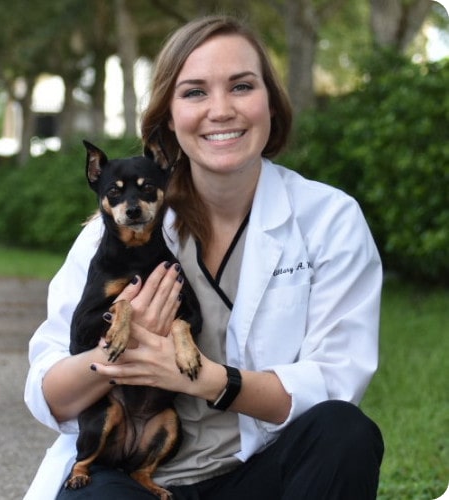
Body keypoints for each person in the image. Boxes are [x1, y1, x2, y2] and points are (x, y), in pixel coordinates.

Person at [24, 15, 384, 500]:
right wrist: (119, 353)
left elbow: (336, 384)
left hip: (257, 473)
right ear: (168, 117)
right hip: (133, 477)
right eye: (194, 92)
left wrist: (207, 379)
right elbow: (49, 391)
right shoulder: (112, 234)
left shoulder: (329, 219)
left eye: (241, 86)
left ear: (271, 105)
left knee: (346, 433)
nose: (221, 110)